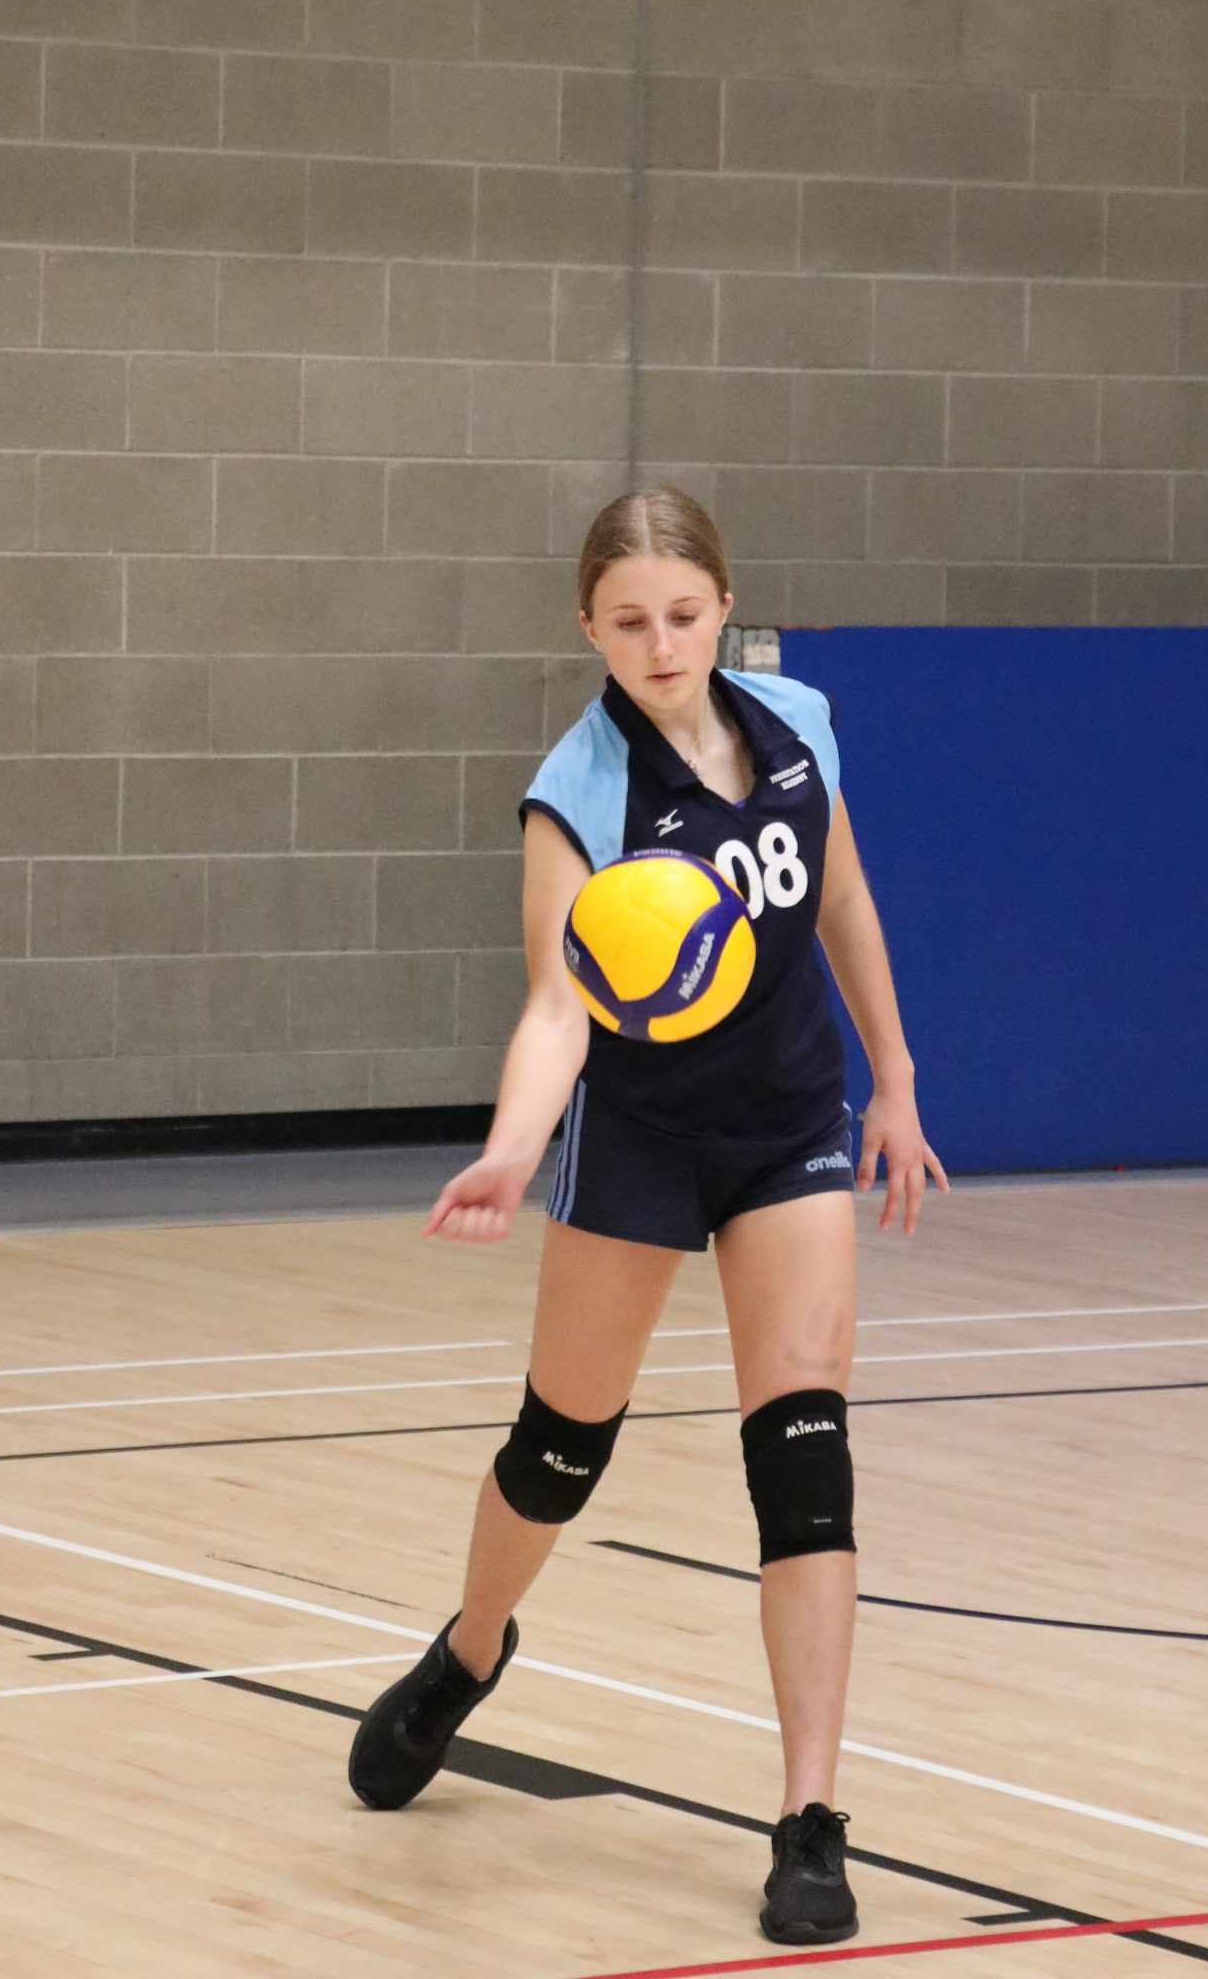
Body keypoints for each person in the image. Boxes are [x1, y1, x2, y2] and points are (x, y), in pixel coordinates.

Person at [348, 486, 946, 1947]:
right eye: (630, 622)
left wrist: (894, 1080)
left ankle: (810, 1820)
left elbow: (844, 899)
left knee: (806, 1460)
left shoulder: (798, 721)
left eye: (684, 615)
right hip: (642, 1140)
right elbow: (559, 1006)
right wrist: (510, 1149)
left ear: (724, 606)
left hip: (789, 1124)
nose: (662, 644)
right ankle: (468, 1651)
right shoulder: (579, 792)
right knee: (560, 1449)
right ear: (589, 629)